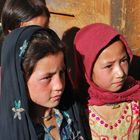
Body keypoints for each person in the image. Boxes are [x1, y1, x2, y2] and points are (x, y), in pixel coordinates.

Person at [0, 25, 84, 140]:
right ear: (21, 79)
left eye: (62, 72)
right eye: (47, 77)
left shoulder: (71, 113)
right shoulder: (8, 131)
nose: (59, 85)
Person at [74, 23, 140, 139]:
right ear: (87, 68)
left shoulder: (135, 98)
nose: (120, 73)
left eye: (124, 60)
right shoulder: (77, 110)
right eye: (109, 66)